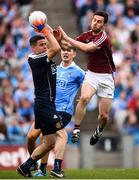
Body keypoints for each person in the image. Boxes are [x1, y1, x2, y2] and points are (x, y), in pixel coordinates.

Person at [16, 20, 72, 178]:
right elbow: (56, 48)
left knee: (49, 142)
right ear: (33, 47)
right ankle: (57, 168)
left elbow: (54, 47)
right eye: (41, 45)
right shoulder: (36, 60)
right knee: (62, 135)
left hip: (44, 105)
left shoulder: (42, 58)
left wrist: (56, 39)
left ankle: (26, 166)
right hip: (45, 105)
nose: (44, 47)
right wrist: (44, 29)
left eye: (45, 44)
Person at [27, 40, 85, 178]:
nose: (65, 52)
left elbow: (88, 85)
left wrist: (84, 96)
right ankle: (35, 164)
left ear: (74, 54)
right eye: (63, 50)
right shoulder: (55, 69)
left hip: (63, 110)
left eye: (69, 50)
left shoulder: (79, 72)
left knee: (59, 136)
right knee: (32, 137)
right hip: (47, 108)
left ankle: (51, 167)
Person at [59, 10, 116, 145]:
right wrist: (56, 38)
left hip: (106, 77)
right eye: (94, 20)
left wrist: (66, 37)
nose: (95, 23)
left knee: (103, 116)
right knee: (84, 98)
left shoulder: (104, 38)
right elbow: (71, 45)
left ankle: (99, 131)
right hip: (91, 74)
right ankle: (76, 129)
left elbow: (85, 48)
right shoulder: (86, 35)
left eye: (99, 21)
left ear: (103, 25)